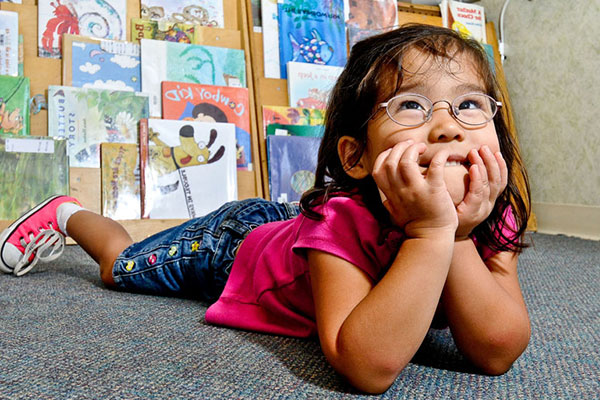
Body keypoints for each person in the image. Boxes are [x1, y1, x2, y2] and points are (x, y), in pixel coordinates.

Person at [0, 24, 531, 394]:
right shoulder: (344, 221)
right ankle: (66, 212)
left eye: (469, 104)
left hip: (293, 229)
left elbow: (497, 351)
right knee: (121, 266)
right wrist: (432, 232)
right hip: (235, 245)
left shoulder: (488, 210)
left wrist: (457, 234)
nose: (447, 125)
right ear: (356, 156)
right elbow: (367, 366)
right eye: (412, 104)